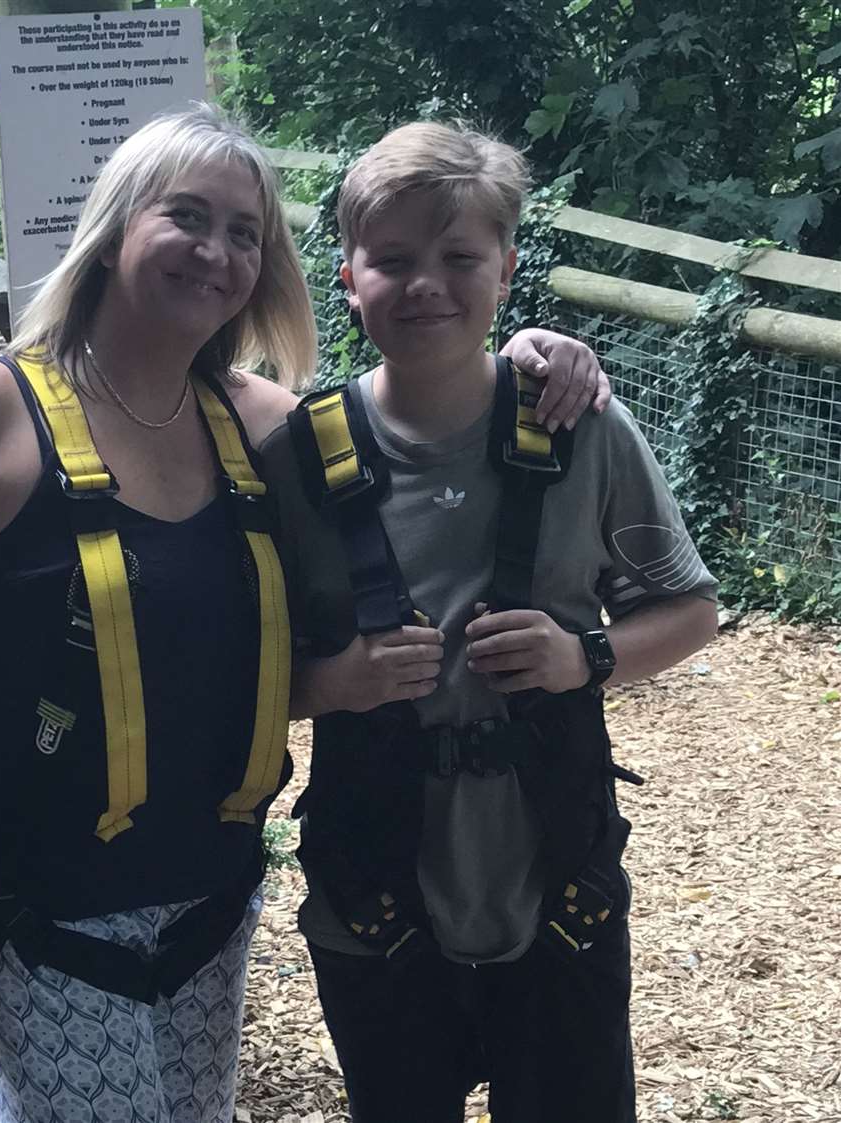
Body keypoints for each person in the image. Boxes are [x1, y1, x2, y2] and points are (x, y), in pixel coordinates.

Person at [0, 104, 610, 1123]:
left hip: (210, 897)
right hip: (44, 904)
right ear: (117, 227)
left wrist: (540, 353)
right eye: (188, 218)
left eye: (246, 233)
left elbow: (417, 404)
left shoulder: (263, 426)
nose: (218, 252)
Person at [260, 121, 719, 1123]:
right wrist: (329, 684)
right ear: (347, 278)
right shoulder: (298, 460)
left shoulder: (577, 422)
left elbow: (690, 609)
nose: (426, 283)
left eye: (459, 257)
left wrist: (584, 654)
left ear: (507, 270)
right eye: (394, 260)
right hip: (373, 896)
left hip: (558, 886)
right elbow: (237, 675)